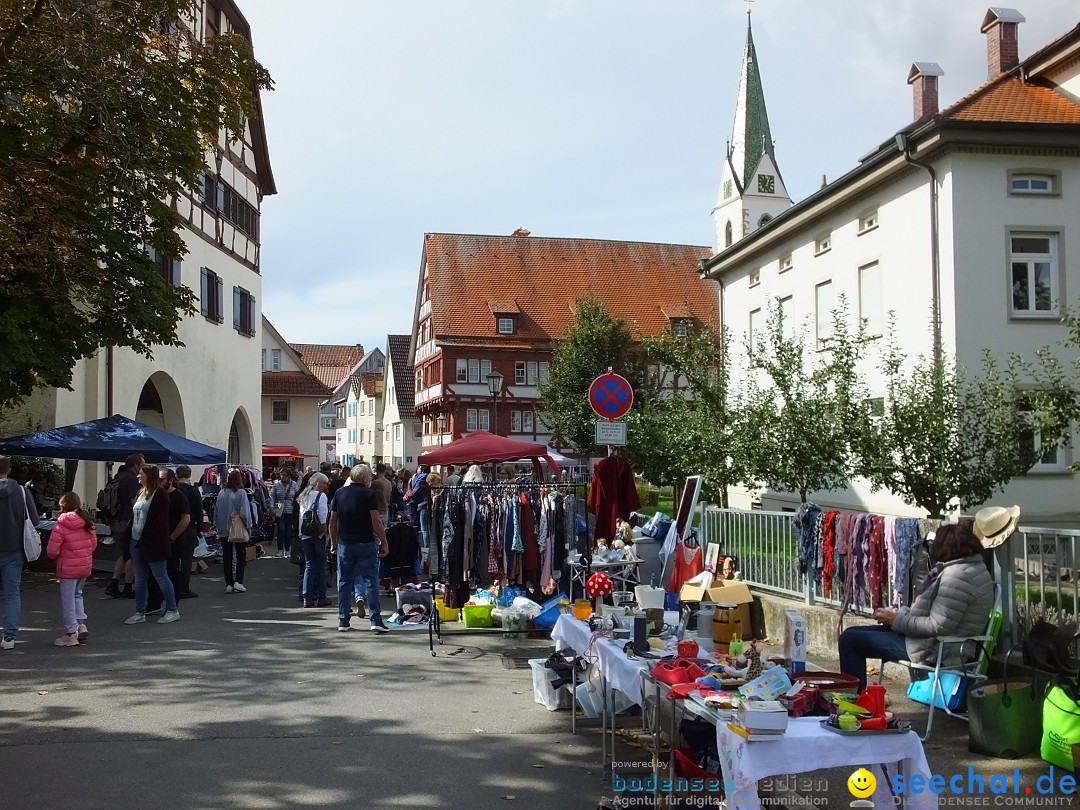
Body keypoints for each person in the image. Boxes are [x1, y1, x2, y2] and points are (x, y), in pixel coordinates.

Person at [837, 522, 994, 691]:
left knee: (849, 640)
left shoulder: (956, 577)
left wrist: (896, 620)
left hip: (936, 648)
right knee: (850, 633)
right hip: (928, 641)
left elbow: (938, 625)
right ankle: (860, 700)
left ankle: (855, 702)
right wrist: (898, 616)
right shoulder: (971, 568)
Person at [328, 464, 389, 633]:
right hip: (365, 542)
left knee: (344, 582)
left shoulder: (339, 493)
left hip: (345, 543)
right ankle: (375, 619)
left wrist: (333, 542)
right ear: (364, 478)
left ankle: (343, 621)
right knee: (370, 581)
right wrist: (384, 541)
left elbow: (333, 521)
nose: (371, 478)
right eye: (370, 476)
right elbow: (376, 521)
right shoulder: (369, 494)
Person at [124, 465, 180, 625]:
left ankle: (172, 609)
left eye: (141, 474)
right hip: (136, 541)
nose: (138, 476)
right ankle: (140, 612)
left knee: (161, 576)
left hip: (153, 543)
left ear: (149, 475)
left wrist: (148, 538)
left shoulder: (160, 494)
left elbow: (160, 522)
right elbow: (134, 517)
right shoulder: (140, 492)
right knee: (140, 579)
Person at [47, 492, 97, 646]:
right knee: (78, 595)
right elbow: (93, 545)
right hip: (84, 565)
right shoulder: (88, 523)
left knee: (67, 599)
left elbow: (52, 551)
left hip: (68, 567)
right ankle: (81, 625)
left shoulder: (60, 525)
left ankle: (70, 633)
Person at [0, 456, 40, 649]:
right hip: (15, 549)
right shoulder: (22, 492)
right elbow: (35, 520)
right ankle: (9, 637)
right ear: (8, 470)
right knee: (12, 593)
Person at [144, 468, 190, 613]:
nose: (159, 482)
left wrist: (172, 537)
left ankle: (173, 605)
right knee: (152, 574)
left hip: (173, 541)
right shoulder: (155, 495)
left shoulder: (178, 496)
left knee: (171, 573)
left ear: (170, 480)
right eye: (157, 479)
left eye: (162, 479)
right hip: (156, 540)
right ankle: (154, 602)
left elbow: (186, 519)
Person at [105, 453, 143, 599]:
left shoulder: (118, 477)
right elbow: (135, 502)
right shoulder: (132, 480)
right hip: (128, 520)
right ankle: (128, 586)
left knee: (122, 553)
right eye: (142, 463)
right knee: (131, 554)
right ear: (136, 465)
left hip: (115, 520)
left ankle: (113, 583)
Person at [296, 472, 332, 608]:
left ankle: (307, 597)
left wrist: (301, 533)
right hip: (318, 535)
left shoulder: (304, 496)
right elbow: (323, 517)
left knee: (309, 566)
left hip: (305, 534)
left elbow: (301, 517)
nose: (325, 486)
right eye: (324, 483)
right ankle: (322, 597)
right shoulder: (321, 496)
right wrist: (326, 534)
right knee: (321, 566)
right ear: (317, 483)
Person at [214, 470, 251, 593]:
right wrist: (248, 526)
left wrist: (216, 526)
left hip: (223, 527)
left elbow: (216, 511)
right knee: (241, 554)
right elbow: (245, 512)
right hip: (237, 528)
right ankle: (238, 581)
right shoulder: (241, 493)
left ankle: (228, 583)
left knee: (227, 555)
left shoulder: (221, 493)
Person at [173, 466, 204, 598]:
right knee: (186, 559)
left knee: (173, 559)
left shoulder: (173, 490)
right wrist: (200, 528)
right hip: (189, 527)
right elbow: (198, 511)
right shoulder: (193, 491)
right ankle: (184, 587)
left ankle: (173, 585)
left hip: (174, 528)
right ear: (189, 475)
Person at [271, 467, 299, 558]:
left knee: (288, 531)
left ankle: (287, 550)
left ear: (288, 476)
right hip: (279, 509)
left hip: (290, 509)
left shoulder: (294, 485)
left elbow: (297, 497)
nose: (282, 476)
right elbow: (272, 496)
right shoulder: (276, 484)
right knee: (280, 529)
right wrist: (271, 507)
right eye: (281, 475)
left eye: (284, 475)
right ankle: (279, 550)